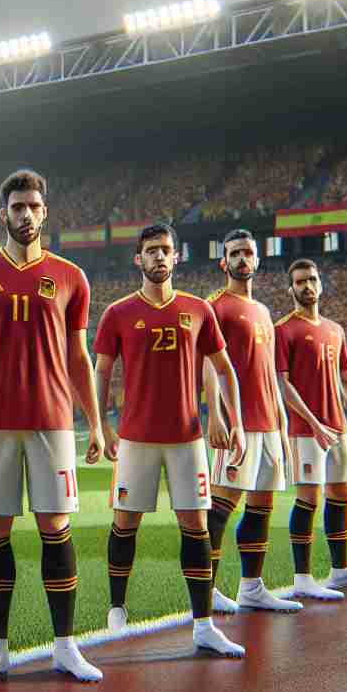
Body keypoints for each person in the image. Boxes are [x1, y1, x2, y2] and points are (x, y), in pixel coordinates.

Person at [0, 169, 104, 684]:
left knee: (56, 529)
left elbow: (78, 356)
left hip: (52, 422)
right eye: (16, 207)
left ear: (45, 213)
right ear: (2, 213)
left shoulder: (72, 277)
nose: (25, 215)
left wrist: (95, 423)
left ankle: (65, 646)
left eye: (33, 206)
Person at [93, 223, 249, 658]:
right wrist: (101, 424)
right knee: (126, 523)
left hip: (187, 440)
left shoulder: (199, 309)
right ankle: (117, 609)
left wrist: (234, 420)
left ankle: (203, 625)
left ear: (177, 257)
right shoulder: (118, 313)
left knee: (196, 526)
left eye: (166, 250)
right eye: (151, 251)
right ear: (137, 259)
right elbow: (102, 371)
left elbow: (224, 368)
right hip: (136, 440)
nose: (159, 257)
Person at [202, 230, 304, 613]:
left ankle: (252, 587)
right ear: (223, 262)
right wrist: (216, 414)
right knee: (221, 506)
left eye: (249, 252)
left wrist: (283, 427)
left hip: (268, 425)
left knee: (261, 505)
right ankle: (207, 589)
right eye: (235, 253)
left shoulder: (263, 311)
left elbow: (269, 376)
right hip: (237, 424)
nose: (243, 258)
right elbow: (208, 365)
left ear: (258, 260)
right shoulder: (216, 306)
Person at [274, 259, 347, 599]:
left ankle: (340, 572)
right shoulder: (284, 329)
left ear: (321, 285)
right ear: (291, 289)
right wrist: (314, 423)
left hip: (338, 428)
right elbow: (281, 383)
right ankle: (303, 578)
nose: (307, 286)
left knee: (341, 494)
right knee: (309, 498)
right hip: (306, 432)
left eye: (312, 280)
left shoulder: (335, 329)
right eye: (300, 281)